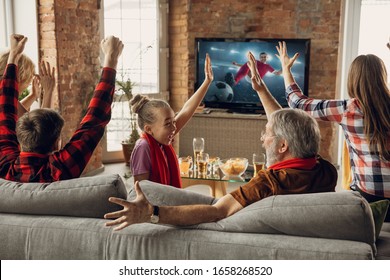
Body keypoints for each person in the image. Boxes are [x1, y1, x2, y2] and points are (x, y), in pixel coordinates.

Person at [104, 51, 337, 230]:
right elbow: (292, 129)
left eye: (267, 133)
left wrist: (152, 213)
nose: (262, 138)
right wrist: (262, 89)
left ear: (283, 145)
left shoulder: (268, 183)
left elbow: (217, 211)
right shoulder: (326, 171)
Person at [275, 41, 390, 220]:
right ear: (383, 77)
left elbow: (297, 103)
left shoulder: (347, 109)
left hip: (369, 198)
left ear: (353, 80)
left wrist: (286, 70)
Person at [0, 33, 123, 182]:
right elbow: (94, 121)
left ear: (18, 134)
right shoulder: (61, 169)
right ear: (57, 142)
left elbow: (4, 110)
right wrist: (111, 58)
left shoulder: (5, 168)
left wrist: (13, 55)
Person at [129, 53, 213, 188]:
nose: (174, 128)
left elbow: (186, 110)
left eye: (174, 122)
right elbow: (140, 190)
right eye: (168, 124)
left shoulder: (160, 139)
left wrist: (207, 81)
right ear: (148, 129)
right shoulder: (143, 147)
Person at [0, 51, 55, 116]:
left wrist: (33, 96)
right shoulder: (5, 95)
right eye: (29, 80)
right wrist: (48, 91)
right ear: (20, 77)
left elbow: (13, 111)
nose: (28, 85)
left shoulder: (5, 93)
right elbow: (43, 124)